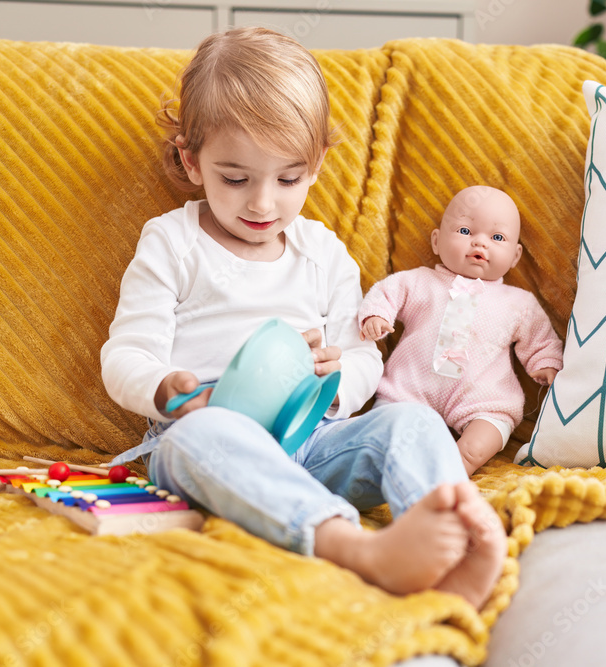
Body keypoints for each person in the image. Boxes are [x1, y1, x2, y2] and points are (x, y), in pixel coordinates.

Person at [100, 27, 504, 609]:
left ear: (315, 166)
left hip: (314, 440)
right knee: (198, 440)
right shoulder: (172, 242)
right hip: (212, 442)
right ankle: (360, 551)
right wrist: (166, 391)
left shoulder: (323, 254)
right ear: (192, 161)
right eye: (235, 179)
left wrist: (336, 380)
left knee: (412, 423)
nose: (262, 203)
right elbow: (125, 355)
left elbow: (365, 357)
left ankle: (451, 540)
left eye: (288, 179)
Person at [359, 186, 563, 475]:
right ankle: (396, 469)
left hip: (483, 399)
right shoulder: (420, 282)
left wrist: (545, 363)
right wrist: (377, 314)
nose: (480, 243)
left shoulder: (518, 303)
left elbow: (540, 338)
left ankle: (449, 473)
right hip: (408, 391)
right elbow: (386, 292)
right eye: (465, 231)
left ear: (515, 257)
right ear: (436, 241)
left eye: (497, 237)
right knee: (386, 432)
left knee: (482, 440)